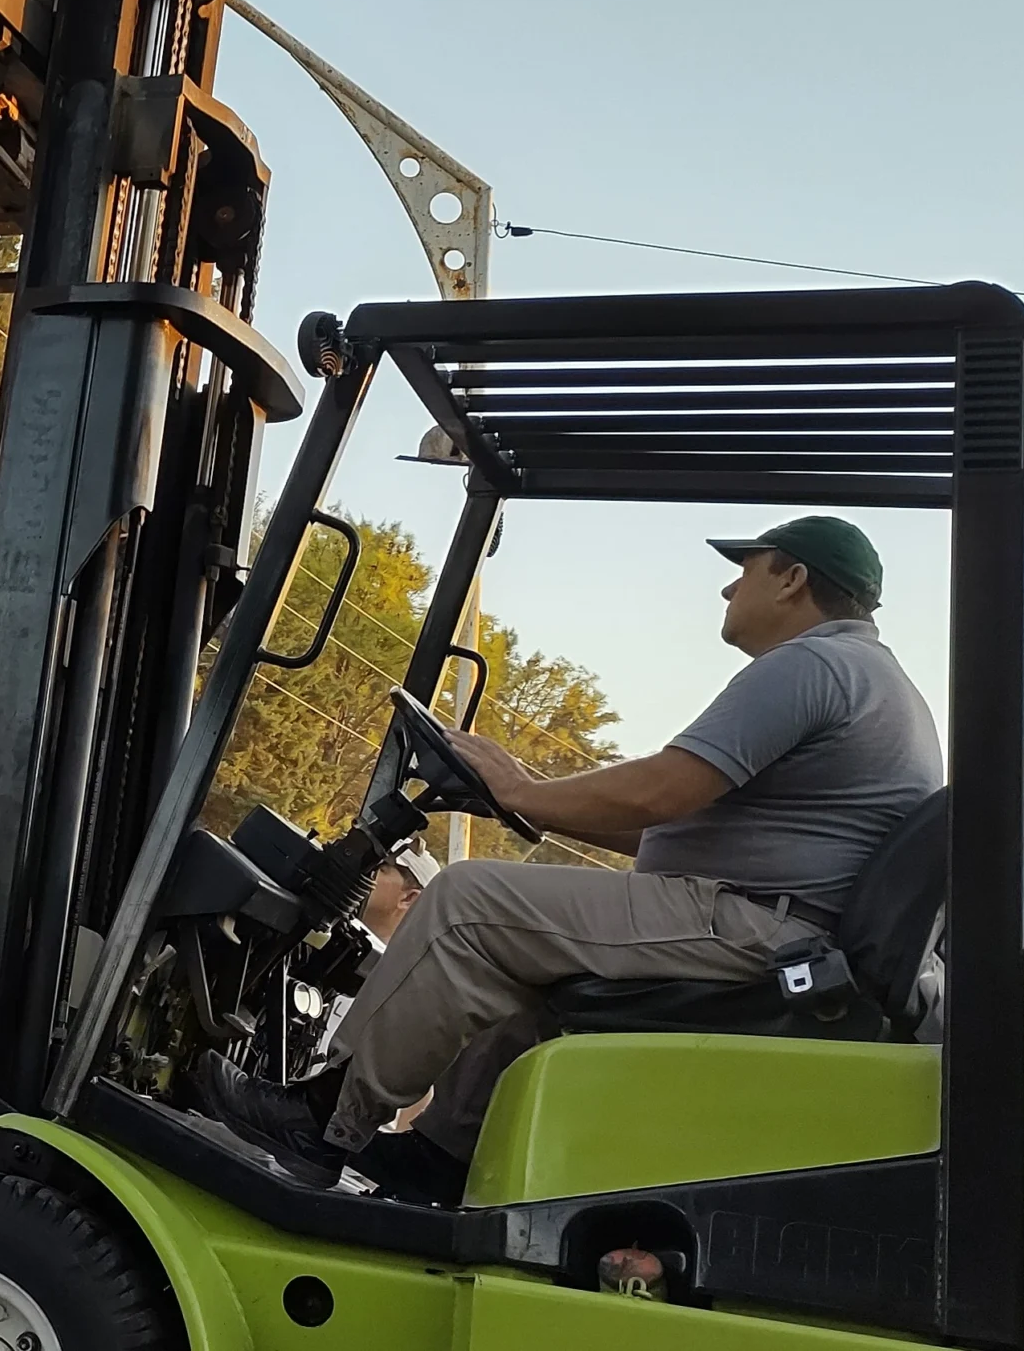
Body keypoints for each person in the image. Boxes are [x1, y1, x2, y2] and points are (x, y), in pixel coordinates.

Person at [196, 515, 943, 1204]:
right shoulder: (872, 680)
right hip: (774, 926)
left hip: (760, 931)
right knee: (514, 957)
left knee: (467, 903)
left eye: (744, 568)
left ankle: (323, 1119)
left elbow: (662, 789)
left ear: (793, 578)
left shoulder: (814, 666)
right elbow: (672, 822)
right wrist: (524, 796)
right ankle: (440, 1159)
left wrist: (523, 787)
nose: (727, 585)